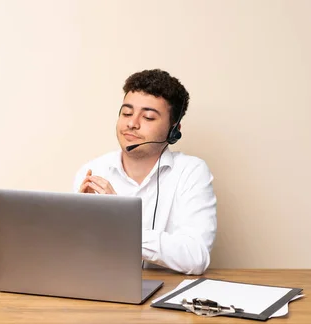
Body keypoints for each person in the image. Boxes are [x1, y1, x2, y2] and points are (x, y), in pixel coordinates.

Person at [73, 69, 216, 275]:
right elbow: (76, 257)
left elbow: (196, 256)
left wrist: (120, 222)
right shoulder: (93, 170)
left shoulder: (191, 172)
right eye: (127, 113)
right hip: (101, 291)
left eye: (148, 117)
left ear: (173, 130)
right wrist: (78, 225)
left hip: (164, 296)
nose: (132, 123)